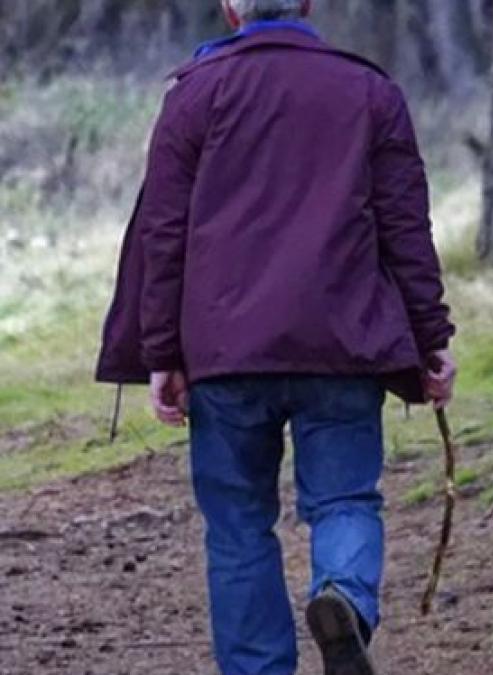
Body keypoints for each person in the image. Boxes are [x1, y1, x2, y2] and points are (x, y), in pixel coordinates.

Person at [95, 1, 456, 673]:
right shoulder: (369, 92)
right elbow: (407, 228)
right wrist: (431, 335)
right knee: (346, 499)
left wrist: (162, 354)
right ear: (309, 3)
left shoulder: (193, 97)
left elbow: (163, 238)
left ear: (231, 8)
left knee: (237, 526)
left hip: (225, 353)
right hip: (341, 345)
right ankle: (343, 598)